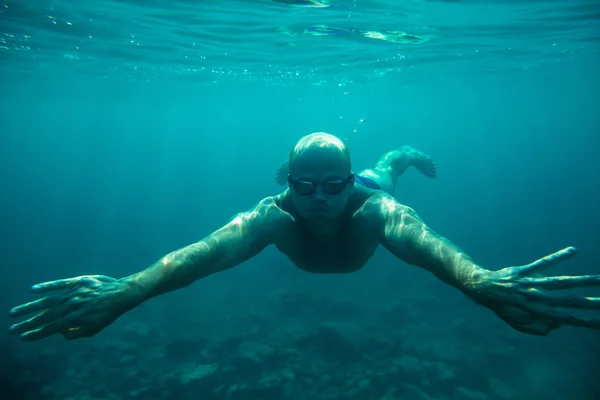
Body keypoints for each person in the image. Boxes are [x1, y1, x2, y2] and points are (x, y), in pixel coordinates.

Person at [9, 132, 599, 341]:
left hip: (371, 177)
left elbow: (428, 245)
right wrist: (127, 290)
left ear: (345, 182)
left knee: (385, 169)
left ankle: (403, 152)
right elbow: (202, 254)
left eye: (330, 185)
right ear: (290, 183)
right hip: (329, 177)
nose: (319, 200)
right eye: (305, 186)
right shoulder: (274, 216)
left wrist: (479, 281)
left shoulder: (374, 208)